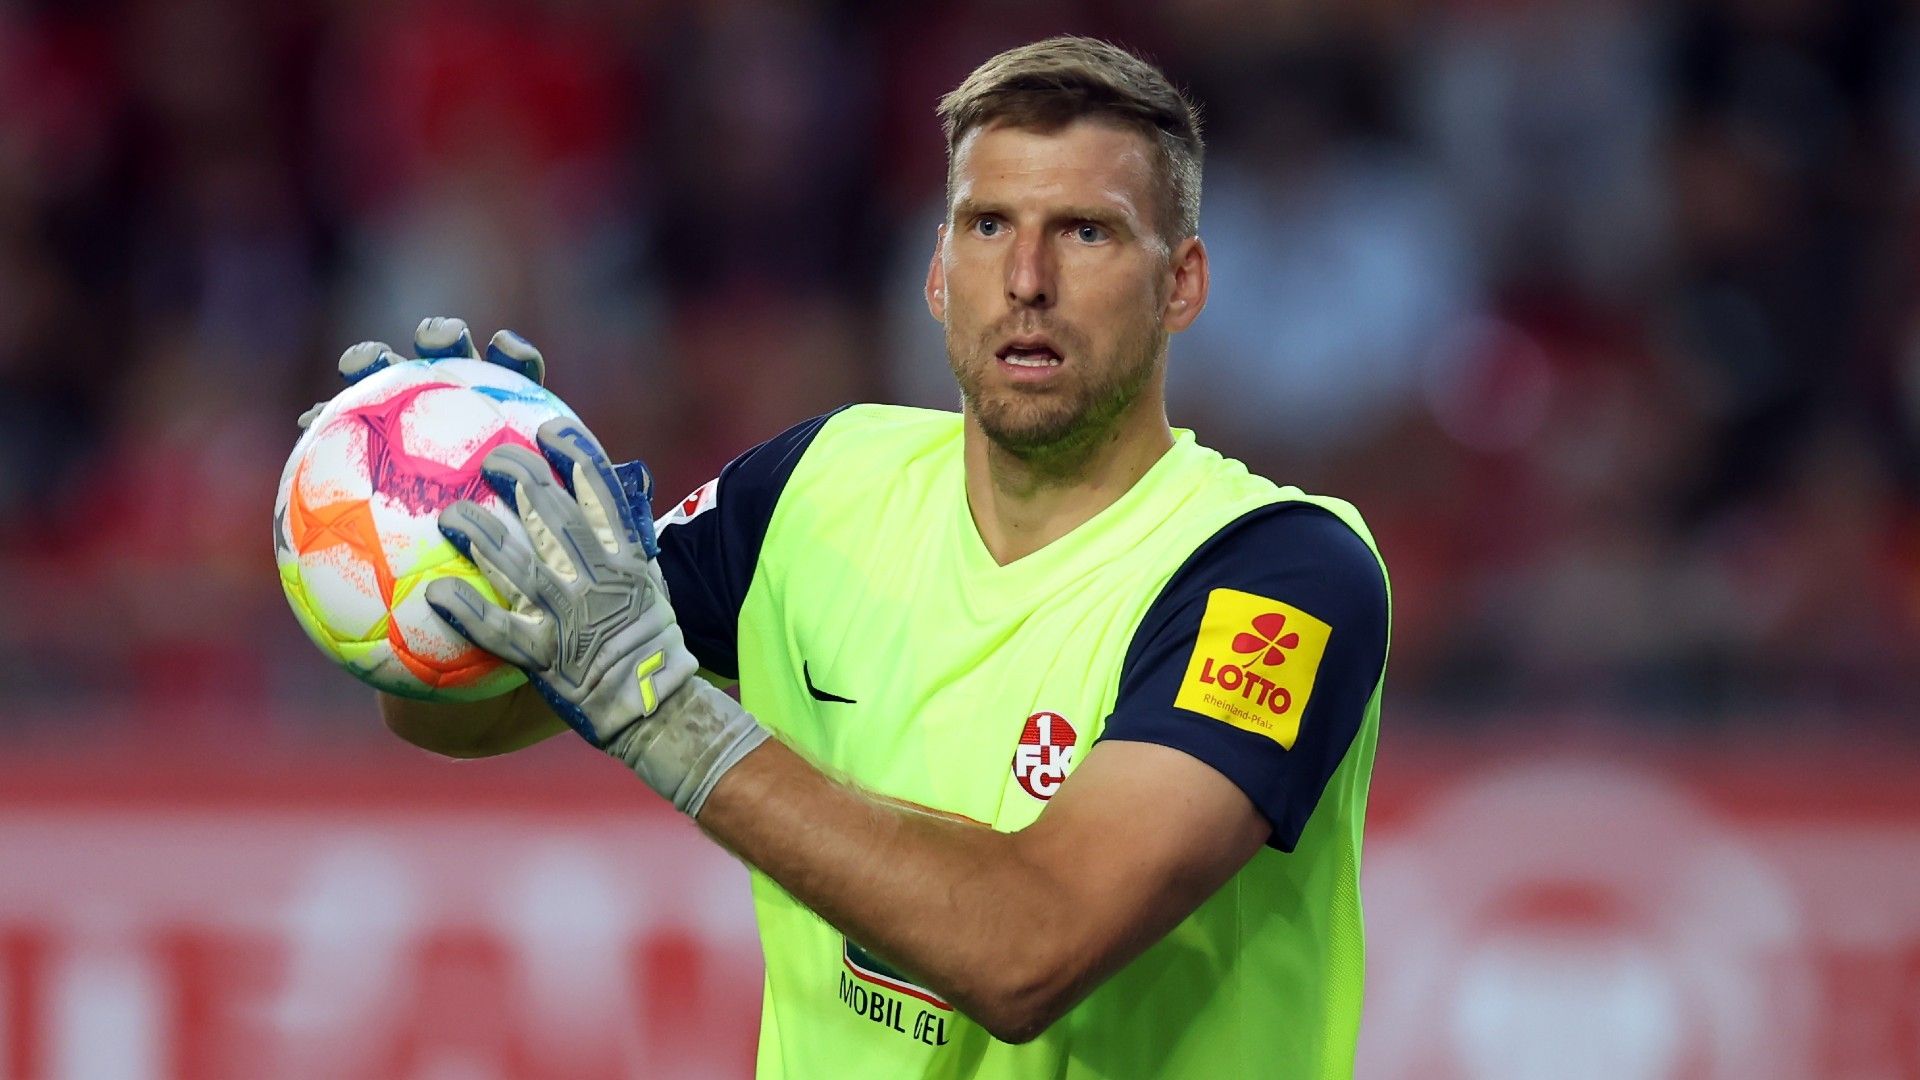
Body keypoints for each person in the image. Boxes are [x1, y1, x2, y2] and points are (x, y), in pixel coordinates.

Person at [357, 36, 1390, 1079]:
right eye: (990, 226)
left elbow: (1033, 947)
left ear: (1181, 284)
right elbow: (466, 714)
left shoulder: (1276, 575)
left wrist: (672, 721)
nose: (1027, 280)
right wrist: (433, 532)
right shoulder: (817, 485)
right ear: (940, 272)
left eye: (1086, 232)